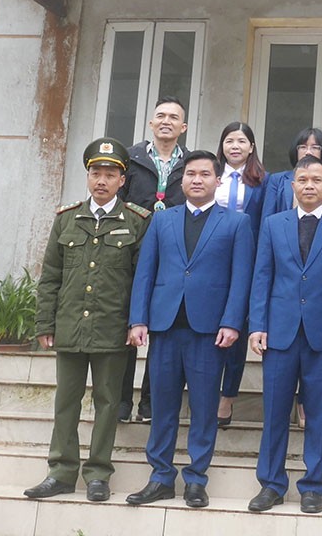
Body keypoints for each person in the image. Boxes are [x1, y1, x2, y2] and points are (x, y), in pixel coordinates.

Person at [125, 151, 255, 509]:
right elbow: (146, 272)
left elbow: (241, 278)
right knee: (163, 405)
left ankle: (197, 478)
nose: (197, 180)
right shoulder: (162, 221)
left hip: (209, 330)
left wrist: (232, 322)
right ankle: (160, 477)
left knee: (203, 406)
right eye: (191, 175)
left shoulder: (236, 223)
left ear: (217, 181)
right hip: (165, 326)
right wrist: (138, 319)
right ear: (182, 181)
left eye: (205, 174)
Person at [24, 138, 151, 503]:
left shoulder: (137, 222)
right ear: (88, 176)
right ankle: (61, 472)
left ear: (122, 180)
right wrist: (45, 325)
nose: (102, 180)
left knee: (109, 401)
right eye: (96, 172)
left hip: (113, 328)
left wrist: (136, 322)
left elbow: (141, 279)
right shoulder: (66, 219)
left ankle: (98, 473)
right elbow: (50, 276)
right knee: (66, 401)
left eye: (110, 174)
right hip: (70, 325)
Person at [246, 155, 322, 515]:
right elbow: (262, 275)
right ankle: (271, 483)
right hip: (279, 330)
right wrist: (257, 324)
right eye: (302, 180)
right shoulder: (274, 224)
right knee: (275, 410)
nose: (309, 185)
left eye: (316, 180)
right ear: (292, 186)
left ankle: (312, 485)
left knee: (320, 411)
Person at [117, 96, 188, 425]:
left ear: (183, 127)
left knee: (161, 329)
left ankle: (149, 403)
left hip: (171, 255)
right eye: (160, 115)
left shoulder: (189, 163)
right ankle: (120, 401)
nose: (166, 121)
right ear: (150, 122)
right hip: (130, 250)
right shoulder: (129, 159)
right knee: (127, 325)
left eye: (174, 117)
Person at [215, 122, 266, 429]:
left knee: (236, 331)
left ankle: (228, 396)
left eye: (241, 141)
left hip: (247, 260)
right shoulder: (209, 175)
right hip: (212, 260)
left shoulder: (264, 181)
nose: (235, 146)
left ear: (251, 147)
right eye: (229, 140)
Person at [260, 127, 322, 217]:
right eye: (303, 147)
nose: (308, 152)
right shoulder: (277, 180)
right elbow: (267, 218)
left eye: (315, 147)